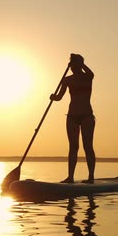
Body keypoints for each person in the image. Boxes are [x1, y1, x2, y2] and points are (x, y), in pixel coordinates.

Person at [50, 54, 96, 183]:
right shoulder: (67, 80)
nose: (71, 68)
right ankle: (70, 177)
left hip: (87, 116)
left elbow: (91, 73)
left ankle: (91, 177)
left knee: (88, 146)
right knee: (73, 147)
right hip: (72, 116)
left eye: (73, 64)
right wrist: (53, 97)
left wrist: (81, 64)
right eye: (71, 64)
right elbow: (59, 97)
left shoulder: (88, 77)